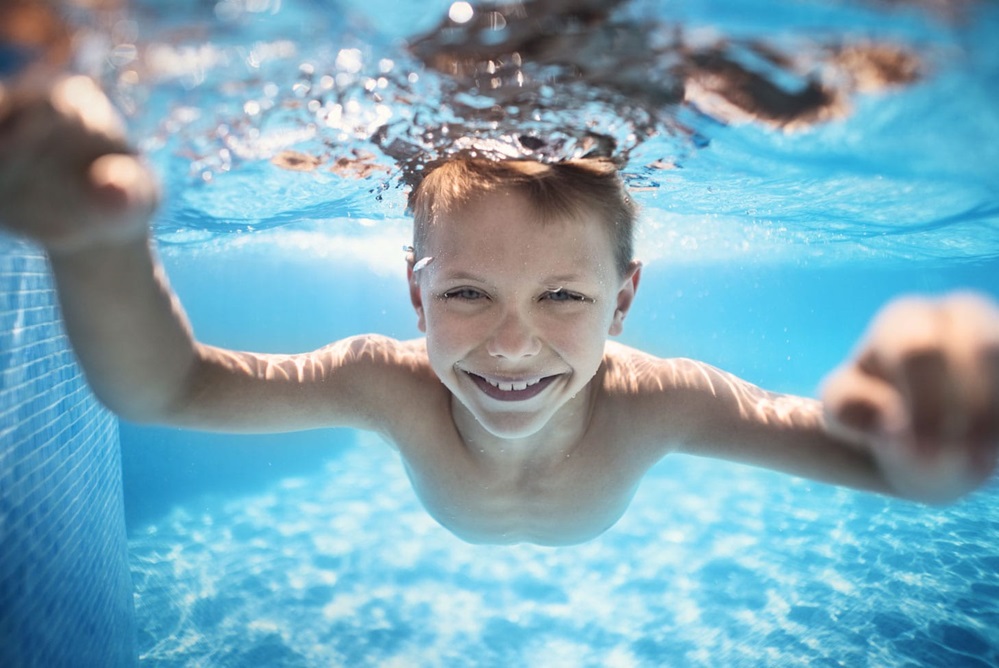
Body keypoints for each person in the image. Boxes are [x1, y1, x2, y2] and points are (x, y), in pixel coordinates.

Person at [1, 76, 997, 546]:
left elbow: (879, 467)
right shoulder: (386, 382)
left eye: (563, 295)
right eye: (468, 291)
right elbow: (170, 385)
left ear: (625, 299)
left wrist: (918, 430)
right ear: (414, 293)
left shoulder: (660, 402)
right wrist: (96, 244)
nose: (512, 342)